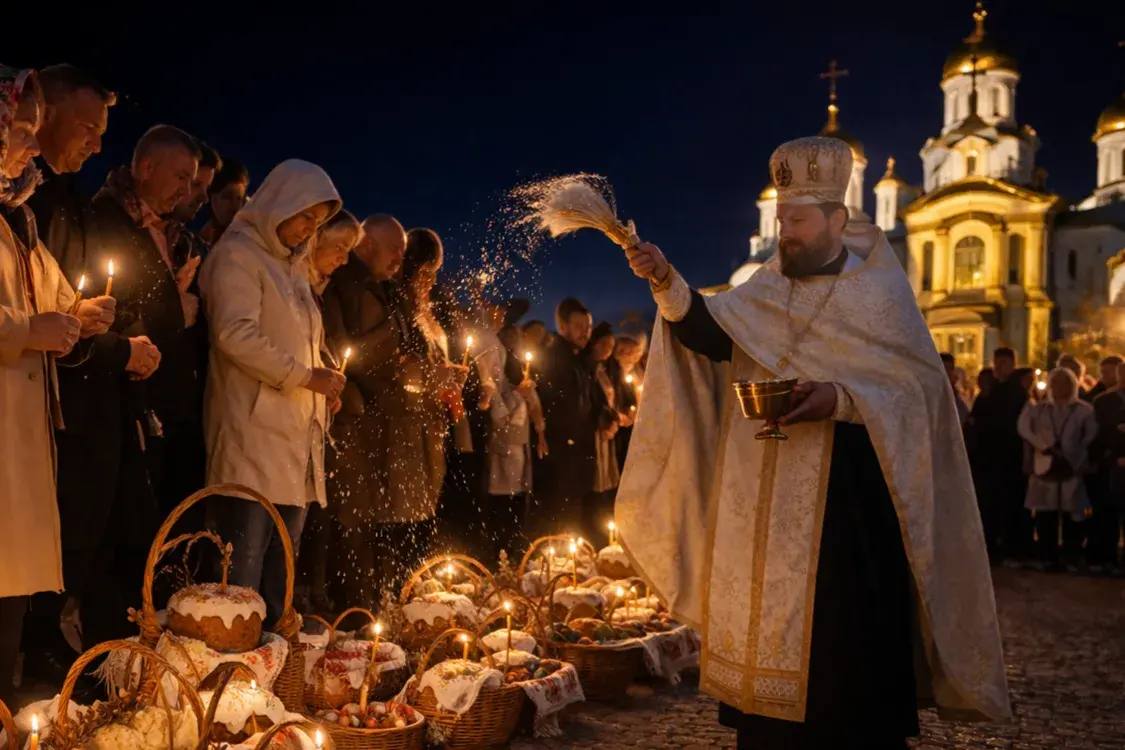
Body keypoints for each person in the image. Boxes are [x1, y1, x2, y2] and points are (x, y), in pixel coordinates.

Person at [617, 136, 1009, 749]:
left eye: (797, 220)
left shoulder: (881, 297)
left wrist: (843, 399)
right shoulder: (766, 290)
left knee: (846, 685)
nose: (785, 233)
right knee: (770, 709)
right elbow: (710, 335)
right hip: (767, 531)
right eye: (781, 220)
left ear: (837, 218)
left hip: (850, 521)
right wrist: (666, 279)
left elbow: (919, 398)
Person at [0, 64, 115, 706]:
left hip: (17, 436)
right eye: (16, 128)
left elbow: (46, 295)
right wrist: (25, 329)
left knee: (9, 595)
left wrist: (78, 315)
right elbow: (20, 316)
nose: (26, 140)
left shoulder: (19, 216)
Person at [199, 159, 345, 622]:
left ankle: (276, 672)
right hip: (252, 436)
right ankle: (230, 672)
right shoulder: (239, 255)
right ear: (281, 202)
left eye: (318, 223)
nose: (309, 230)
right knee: (242, 573)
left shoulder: (292, 269)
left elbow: (301, 340)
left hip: (293, 441)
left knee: (281, 570)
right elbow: (234, 334)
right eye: (305, 216)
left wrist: (324, 380)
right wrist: (305, 377)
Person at [88, 125, 207, 518]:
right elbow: (118, 304)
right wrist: (175, 306)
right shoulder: (107, 220)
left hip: (170, 402)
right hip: (132, 401)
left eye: (191, 182)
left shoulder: (171, 233)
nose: (187, 192)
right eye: (180, 177)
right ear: (146, 166)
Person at [322, 214, 409, 605]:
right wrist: (395, 348)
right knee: (349, 520)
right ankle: (352, 612)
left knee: (365, 519)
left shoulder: (375, 288)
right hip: (348, 418)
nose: (398, 261)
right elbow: (345, 352)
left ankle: (367, 604)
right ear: (367, 244)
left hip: (368, 418)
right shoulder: (345, 283)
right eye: (395, 250)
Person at [473, 298, 536, 559]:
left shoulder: (496, 342)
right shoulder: (483, 342)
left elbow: (502, 384)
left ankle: (510, 549)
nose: (499, 315)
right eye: (494, 310)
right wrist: (502, 412)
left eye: (502, 312)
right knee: (497, 493)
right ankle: (495, 551)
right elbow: (488, 382)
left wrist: (518, 391)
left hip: (511, 420)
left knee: (512, 493)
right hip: (498, 426)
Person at [1018, 367, 1097, 570]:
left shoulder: (1084, 410)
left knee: (1073, 515)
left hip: (1072, 466)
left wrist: (1078, 454)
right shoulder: (1040, 409)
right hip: (1046, 466)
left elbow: (1090, 436)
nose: (1060, 387)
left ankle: (1071, 555)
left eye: (1065, 383)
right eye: (1056, 383)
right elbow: (1026, 430)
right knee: (1046, 514)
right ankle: (1047, 556)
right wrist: (1039, 450)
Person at [533, 297, 598, 539]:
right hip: (562, 452)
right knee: (560, 513)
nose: (586, 332)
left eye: (588, 326)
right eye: (580, 326)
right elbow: (555, 404)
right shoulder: (554, 357)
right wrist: (568, 439)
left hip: (577, 450)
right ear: (563, 326)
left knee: (574, 511)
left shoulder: (578, 358)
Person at [968, 347, 1030, 560]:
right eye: (998, 364)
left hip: (1010, 457)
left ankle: (1012, 548)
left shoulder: (1019, 393)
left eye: (1005, 364)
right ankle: (991, 547)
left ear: (1012, 365)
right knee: (989, 504)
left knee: (1011, 504)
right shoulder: (988, 392)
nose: (1001, 368)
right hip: (988, 458)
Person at [584, 321, 625, 539]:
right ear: (595, 344)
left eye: (611, 347)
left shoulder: (608, 369)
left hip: (609, 430)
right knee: (597, 479)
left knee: (610, 478)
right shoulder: (589, 369)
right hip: (597, 432)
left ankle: (609, 526)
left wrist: (617, 417)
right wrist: (607, 420)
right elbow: (593, 401)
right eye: (605, 346)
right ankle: (596, 529)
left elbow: (612, 398)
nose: (608, 351)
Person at [1088, 359, 1125, 573]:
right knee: (1108, 515)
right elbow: (1098, 434)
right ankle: (1106, 558)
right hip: (1110, 466)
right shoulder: (1103, 401)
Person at [610, 333, 646, 467]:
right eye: (627, 352)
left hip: (637, 420)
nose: (631, 356)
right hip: (620, 421)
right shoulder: (614, 371)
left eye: (634, 352)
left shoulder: (638, 370)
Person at [307, 208, 360, 296]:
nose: (344, 261)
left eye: (347, 251)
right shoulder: (287, 282)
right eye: (339, 247)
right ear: (316, 238)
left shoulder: (326, 293)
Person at [199, 156, 249, 245]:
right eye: (227, 197)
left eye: (239, 198)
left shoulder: (251, 237)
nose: (235, 206)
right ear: (212, 199)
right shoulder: (201, 242)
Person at [940, 352, 969, 426]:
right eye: (944, 369)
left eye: (950, 369)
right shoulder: (933, 394)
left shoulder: (955, 394)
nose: (947, 373)